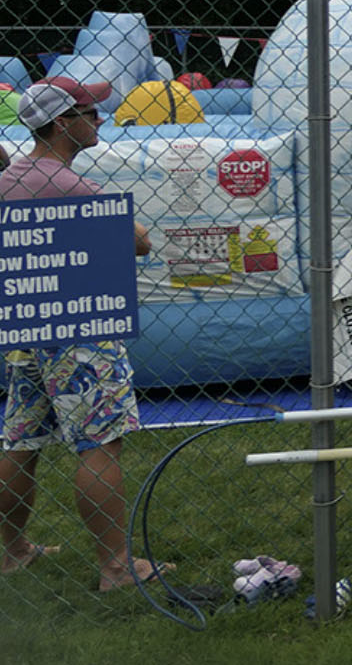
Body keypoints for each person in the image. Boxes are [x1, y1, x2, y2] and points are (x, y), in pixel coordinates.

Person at [0, 78, 172, 592]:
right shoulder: (68, 184)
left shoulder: (11, 177)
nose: (100, 119)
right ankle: (116, 567)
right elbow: (137, 241)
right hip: (82, 332)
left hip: (28, 328)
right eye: (90, 112)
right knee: (100, 443)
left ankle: (12, 552)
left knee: (20, 441)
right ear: (61, 123)